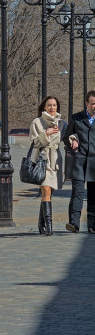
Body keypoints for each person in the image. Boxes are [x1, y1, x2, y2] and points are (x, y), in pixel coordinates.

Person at [29, 95, 66, 236]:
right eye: (49, 105)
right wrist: (47, 133)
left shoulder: (61, 123)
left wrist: (74, 140)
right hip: (42, 161)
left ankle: (40, 224)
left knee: (49, 194)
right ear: (44, 107)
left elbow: (69, 136)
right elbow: (35, 143)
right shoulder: (37, 122)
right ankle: (49, 227)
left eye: (54, 105)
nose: (52, 108)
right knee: (45, 192)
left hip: (55, 161)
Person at [63, 90, 95, 233]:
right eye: (93, 103)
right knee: (78, 193)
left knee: (93, 195)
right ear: (86, 103)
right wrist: (72, 142)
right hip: (79, 162)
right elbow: (66, 138)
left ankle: (92, 226)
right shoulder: (76, 118)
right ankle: (74, 224)